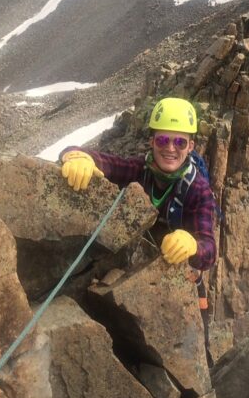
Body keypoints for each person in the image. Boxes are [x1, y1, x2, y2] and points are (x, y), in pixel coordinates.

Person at [59, 97, 216, 271]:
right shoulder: (139, 169)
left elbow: (209, 252)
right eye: (162, 140)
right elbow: (111, 164)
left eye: (180, 142)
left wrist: (193, 246)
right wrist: (77, 155)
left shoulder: (198, 189)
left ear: (190, 147)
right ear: (152, 142)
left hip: (170, 274)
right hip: (131, 263)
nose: (171, 148)